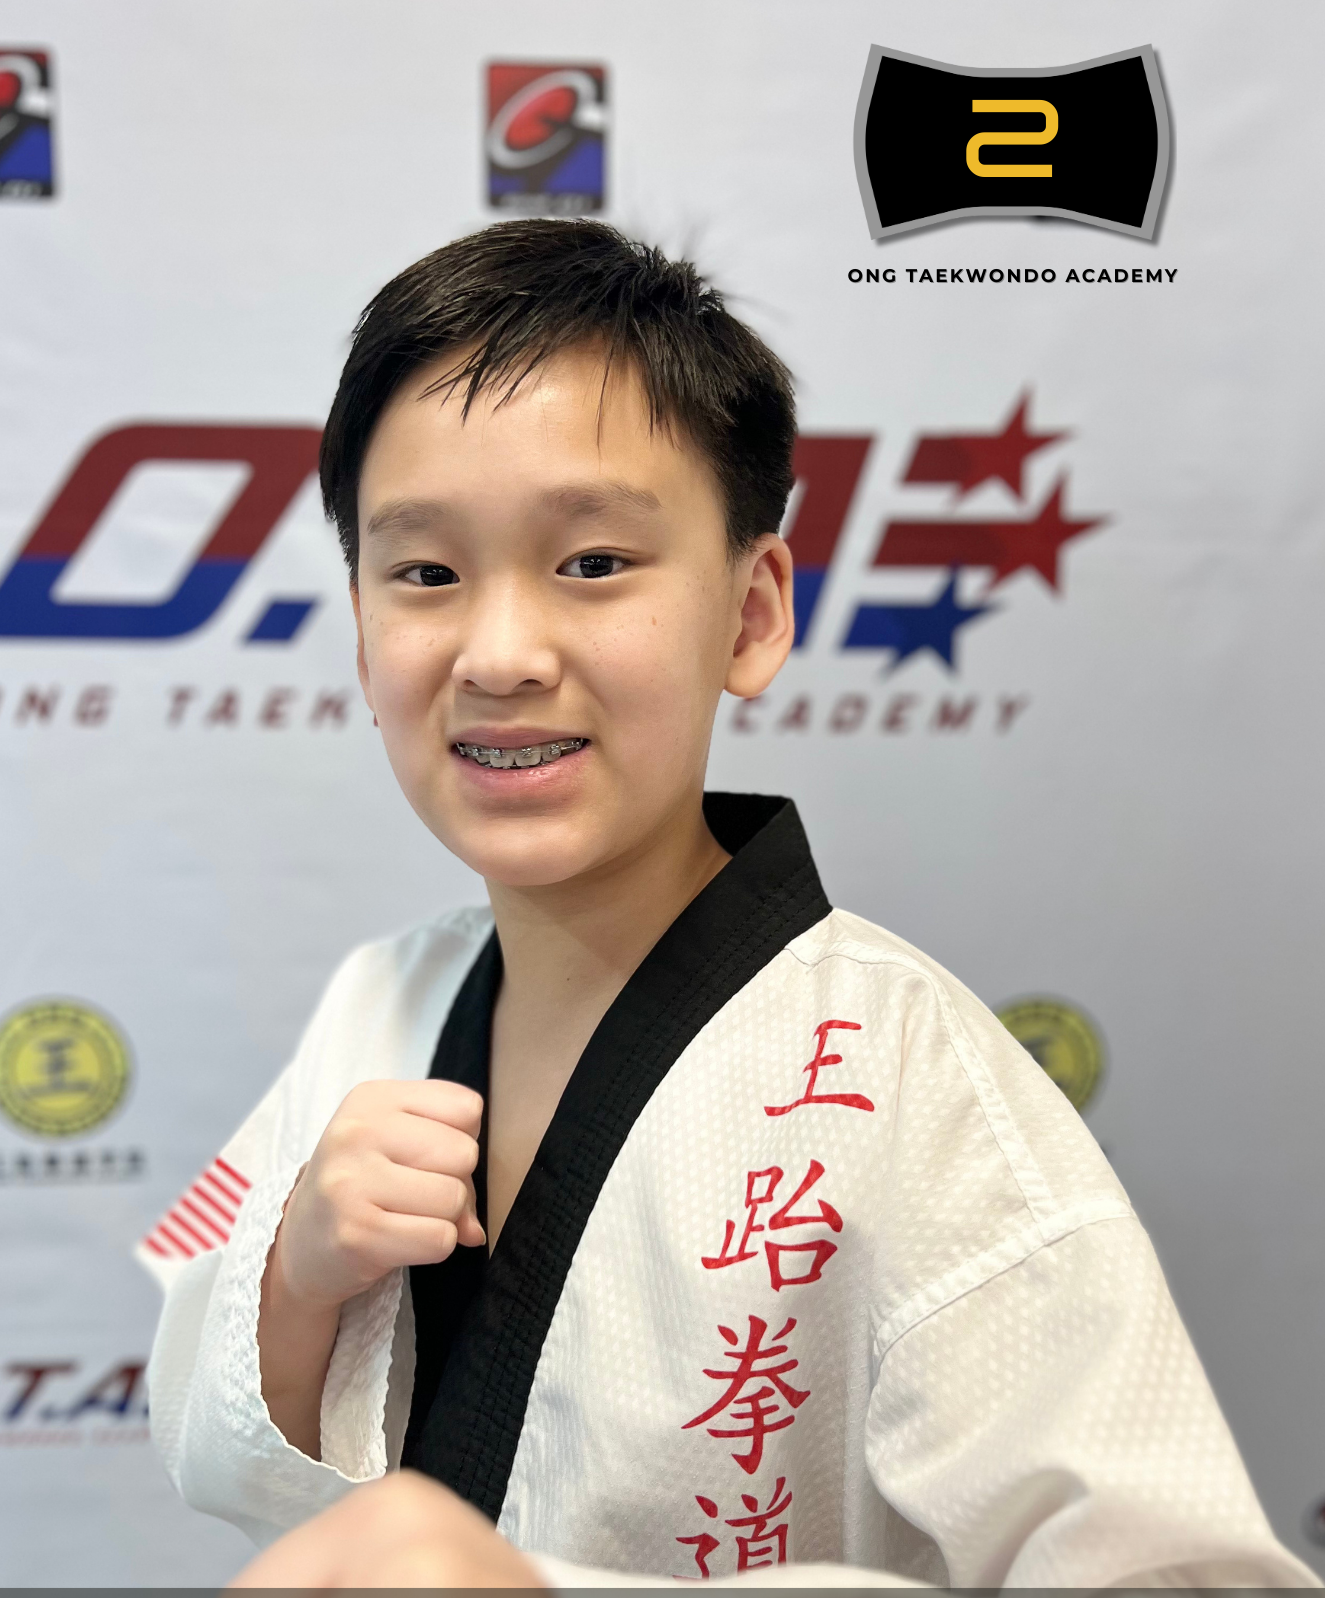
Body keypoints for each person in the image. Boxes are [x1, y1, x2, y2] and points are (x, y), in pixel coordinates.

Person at [139, 219, 1317, 1590]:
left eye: (590, 564)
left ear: (751, 615)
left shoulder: (910, 1079)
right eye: (425, 575)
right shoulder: (372, 1004)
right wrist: (295, 1276)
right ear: (357, 627)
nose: (501, 652)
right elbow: (208, 1433)